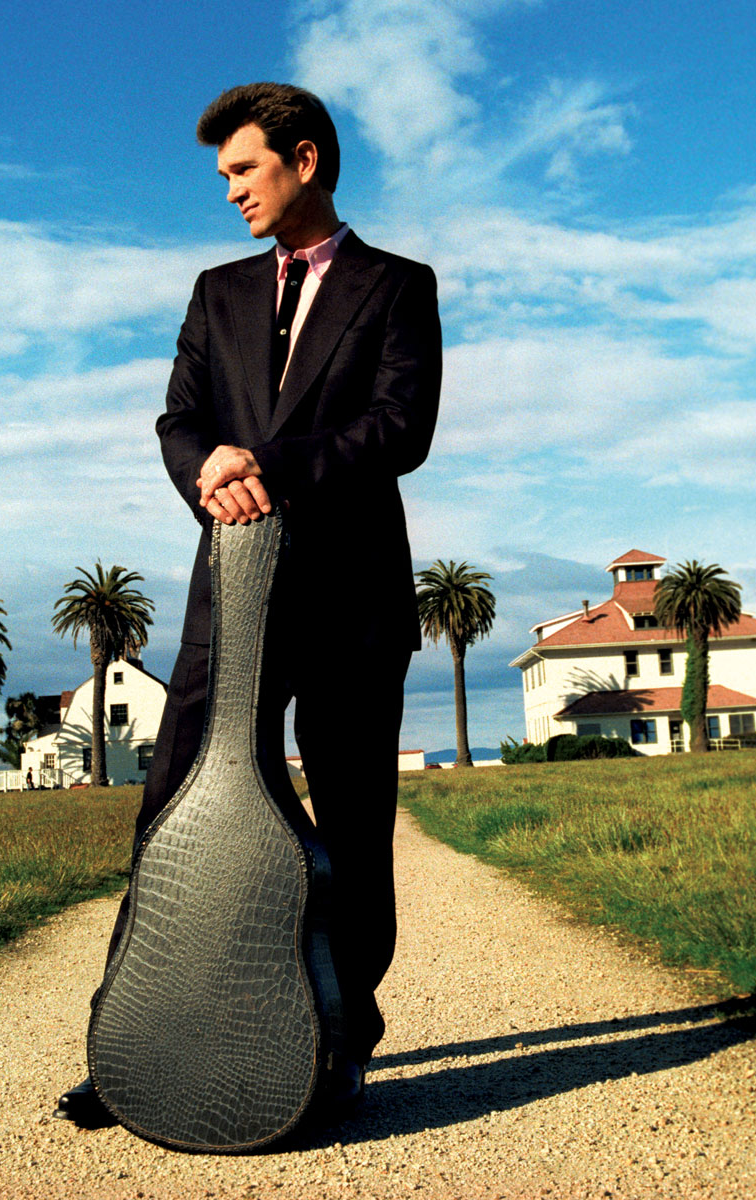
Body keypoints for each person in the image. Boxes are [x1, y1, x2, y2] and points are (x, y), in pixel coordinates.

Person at [56, 81, 441, 1129]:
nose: (229, 190)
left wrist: (265, 463)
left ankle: (338, 1041)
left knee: (351, 825)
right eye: (223, 174)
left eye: (243, 169)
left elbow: (400, 428)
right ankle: (133, 1043)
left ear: (304, 159)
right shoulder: (216, 290)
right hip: (230, 595)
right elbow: (179, 418)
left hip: (354, 600)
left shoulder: (397, 285)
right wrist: (207, 469)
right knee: (171, 810)